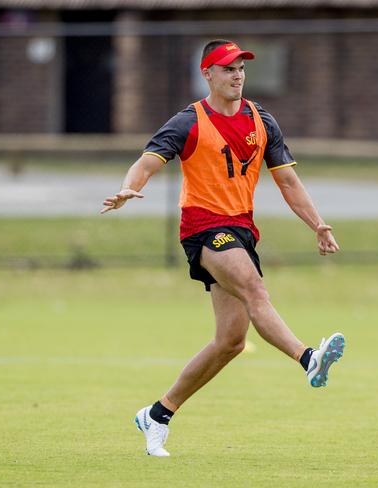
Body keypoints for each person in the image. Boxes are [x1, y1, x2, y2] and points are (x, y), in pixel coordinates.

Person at [101, 39, 345, 457]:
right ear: (208, 74)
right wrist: (129, 188)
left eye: (241, 68)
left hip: (242, 230)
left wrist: (317, 223)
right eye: (228, 68)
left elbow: (287, 181)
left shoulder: (261, 120)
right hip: (203, 227)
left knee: (230, 342)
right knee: (255, 290)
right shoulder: (188, 122)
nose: (237, 75)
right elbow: (146, 163)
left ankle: (157, 414)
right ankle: (309, 359)